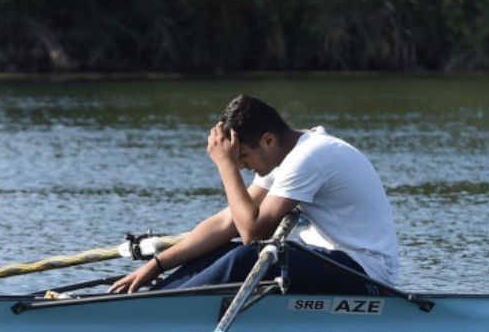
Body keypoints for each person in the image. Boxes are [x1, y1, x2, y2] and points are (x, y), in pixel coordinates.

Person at [109, 94, 399, 295]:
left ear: (268, 140)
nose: (243, 167)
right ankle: (153, 297)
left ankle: (156, 307)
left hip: (365, 274)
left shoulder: (309, 157)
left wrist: (225, 166)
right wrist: (156, 264)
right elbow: (228, 223)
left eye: (243, 157)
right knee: (225, 251)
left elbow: (253, 232)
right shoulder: (286, 155)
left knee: (247, 255)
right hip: (333, 262)